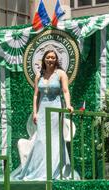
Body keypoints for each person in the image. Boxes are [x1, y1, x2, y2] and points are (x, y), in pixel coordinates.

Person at [11, 49, 78, 181]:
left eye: (53, 57)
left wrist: (69, 105)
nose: (50, 60)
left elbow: (65, 90)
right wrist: (35, 113)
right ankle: (38, 169)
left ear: (56, 60)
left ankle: (56, 170)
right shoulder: (39, 75)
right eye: (48, 57)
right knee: (41, 140)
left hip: (56, 109)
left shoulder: (61, 74)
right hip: (42, 110)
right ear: (44, 60)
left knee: (55, 139)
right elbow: (36, 95)